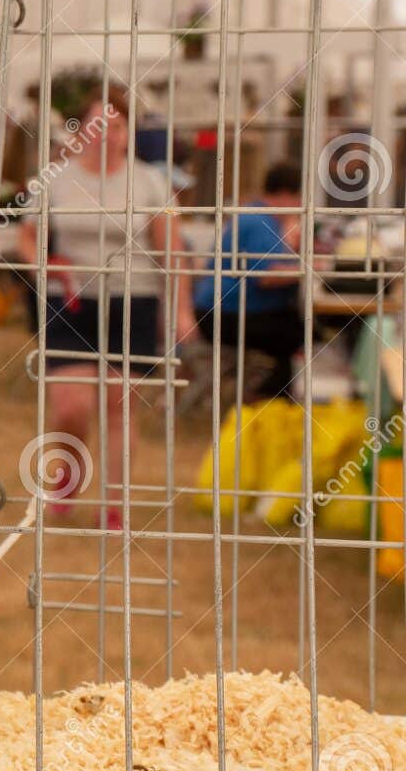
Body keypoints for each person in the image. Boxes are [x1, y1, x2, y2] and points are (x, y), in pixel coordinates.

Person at [18, 85, 195, 529]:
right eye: (98, 124)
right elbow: (27, 236)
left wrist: (181, 311)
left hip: (134, 300)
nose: (106, 134)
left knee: (121, 402)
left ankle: (115, 507)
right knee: (71, 407)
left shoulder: (152, 181)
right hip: (71, 301)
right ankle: (67, 476)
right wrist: (42, 261)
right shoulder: (54, 180)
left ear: (128, 132)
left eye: (116, 126)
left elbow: (173, 250)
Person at [192, 160, 304, 399]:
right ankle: (271, 398)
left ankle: (272, 396)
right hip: (226, 315)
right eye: (299, 199)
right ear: (286, 194)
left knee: (293, 326)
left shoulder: (256, 216)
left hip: (220, 310)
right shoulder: (260, 221)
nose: (300, 206)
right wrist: (310, 269)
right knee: (296, 331)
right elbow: (265, 277)